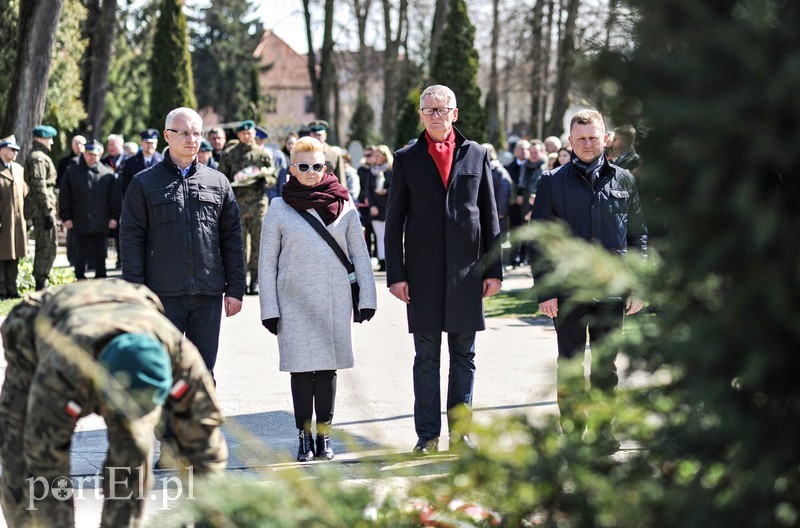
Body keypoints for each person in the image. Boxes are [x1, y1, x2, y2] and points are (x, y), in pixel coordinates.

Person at [0, 279, 228, 527]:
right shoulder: (61, 373)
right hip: (36, 328)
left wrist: (211, 518)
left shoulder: (183, 362)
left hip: (128, 305)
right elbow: (46, 466)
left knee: (133, 454)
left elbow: (207, 450)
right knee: (18, 462)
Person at [385, 85, 503, 455]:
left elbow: (490, 215)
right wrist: (396, 275)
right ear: (421, 115)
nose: (436, 115)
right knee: (426, 357)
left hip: (467, 272)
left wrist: (494, 270)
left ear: (455, 113)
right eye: (429, 110)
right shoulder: (406, 158)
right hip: (422, 275)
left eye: (442, 109)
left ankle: (461, 435)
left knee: (464, 355)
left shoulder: (476, 154)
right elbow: (394, 221)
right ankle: (427, 435)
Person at [530, 109, 647, 453]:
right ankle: (572, 434)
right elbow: (539, 241)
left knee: (605, 367)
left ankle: (601, 432)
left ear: (604, 139)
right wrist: (546, 290)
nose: (587, 144)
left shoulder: (624, 180)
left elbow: (638, 236)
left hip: (611, 290)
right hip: (568, 291)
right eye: (580, 138)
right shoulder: (551, 181)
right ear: (570, 140)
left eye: (593, 137)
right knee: (570, 366)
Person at [259, 136, 377, 462]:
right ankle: (304, 436)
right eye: (303, 166)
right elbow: (266, 262)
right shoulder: (278, 207)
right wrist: (269, 308)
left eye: (317, 166)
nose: (311, 172)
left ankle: (324, 436)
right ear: (291, 168)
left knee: (326, 371)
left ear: (326, 167)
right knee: (300, 371)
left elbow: (360, 254)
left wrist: (367, 297)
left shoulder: (344, 204)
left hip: (334, 299)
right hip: (293, 302)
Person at [120, 107, 245, 378]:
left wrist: (236, 288)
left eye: (197, 133)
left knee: (202, 372)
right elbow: (131, 240)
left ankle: (202, 409)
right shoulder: (144, 183)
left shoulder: (218, 182)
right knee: (164, 371)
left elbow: (232, 239)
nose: (192, 139)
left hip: (207, 294)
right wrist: (135, 291)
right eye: (185, 133)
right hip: (162, 294)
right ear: (167, 135)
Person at [218, 120, 276, 295]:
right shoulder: (229, 154)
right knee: (239, 243)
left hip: (258, 203)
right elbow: (221, 178)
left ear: (254, 134)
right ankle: (240, 280)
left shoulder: (263, 154)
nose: (246, 136)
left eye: (249, 133)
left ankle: (256, 279)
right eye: (243, 133)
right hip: (237, 204)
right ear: (238, 134)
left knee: (259, 241)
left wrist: (264, 179)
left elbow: (273, 177)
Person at [59, 141, 120, 279]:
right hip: (79, 220)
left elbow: (114, 198)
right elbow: (65, 196)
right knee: (79, 254)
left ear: (100, 155)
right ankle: (80, 277)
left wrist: (114, 217)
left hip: (101, 220)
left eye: (95, 154)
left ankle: (100, 278)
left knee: (100, 254)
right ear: (84, 154)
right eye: (89, 154)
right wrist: (66, 217)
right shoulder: (72, 172)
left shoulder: (107, 173)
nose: (92, 157)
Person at [24, 125, 59, 291]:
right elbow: (39, 186)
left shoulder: (41, 156)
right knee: (45, 246)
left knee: (49, 245)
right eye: (49, 138)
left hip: (43, 208)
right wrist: (47, 212)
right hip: (41, 210)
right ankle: (40, 283)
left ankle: (42, 280)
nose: (51, 142)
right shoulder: (38, 158)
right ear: (41, 139)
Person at [0, 136, 27, 299]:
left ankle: (12, 289)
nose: (16, 153)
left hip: (16, 221)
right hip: (3, 221)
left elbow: (24, 193)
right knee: (1, 257)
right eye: (12, 150)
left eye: (16, 150)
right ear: (2, 150)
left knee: (14, 256)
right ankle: (1, 290)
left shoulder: (18, 169)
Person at [366, 144, 393, 271]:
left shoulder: (391, 170)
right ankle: (382, 261)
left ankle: (391, 261)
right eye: (374, 155)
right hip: (376, 209)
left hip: (389, 207)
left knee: (390, 236)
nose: (375, 158)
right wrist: (372, 206)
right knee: (379, 236)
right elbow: (368, 190)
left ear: (384, 156)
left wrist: (386, 191)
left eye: (378, 155)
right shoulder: (372, 172)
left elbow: (396, 187)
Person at [118, 129, 164, 198]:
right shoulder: (130, 162)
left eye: (152, 143)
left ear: (156, 144)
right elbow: (125, 186)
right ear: (141, 143)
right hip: (137, 201)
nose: (150, 145)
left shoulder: (163, 161)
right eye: (147, 142)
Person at [482, 143, 513, 243]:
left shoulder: (498, 170)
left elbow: (504, 191)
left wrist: (501, 211)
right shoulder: (484, 167)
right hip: (487, 210)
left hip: (497, 212)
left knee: (497, 241)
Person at [308, 120, 346, 186]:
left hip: (329, 189)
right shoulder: (303, 153)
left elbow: (341, 179)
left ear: (325, 135)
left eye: (319, 135)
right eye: (314, 134)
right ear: (310, 135)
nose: (316, 137)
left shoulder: (334, 154)